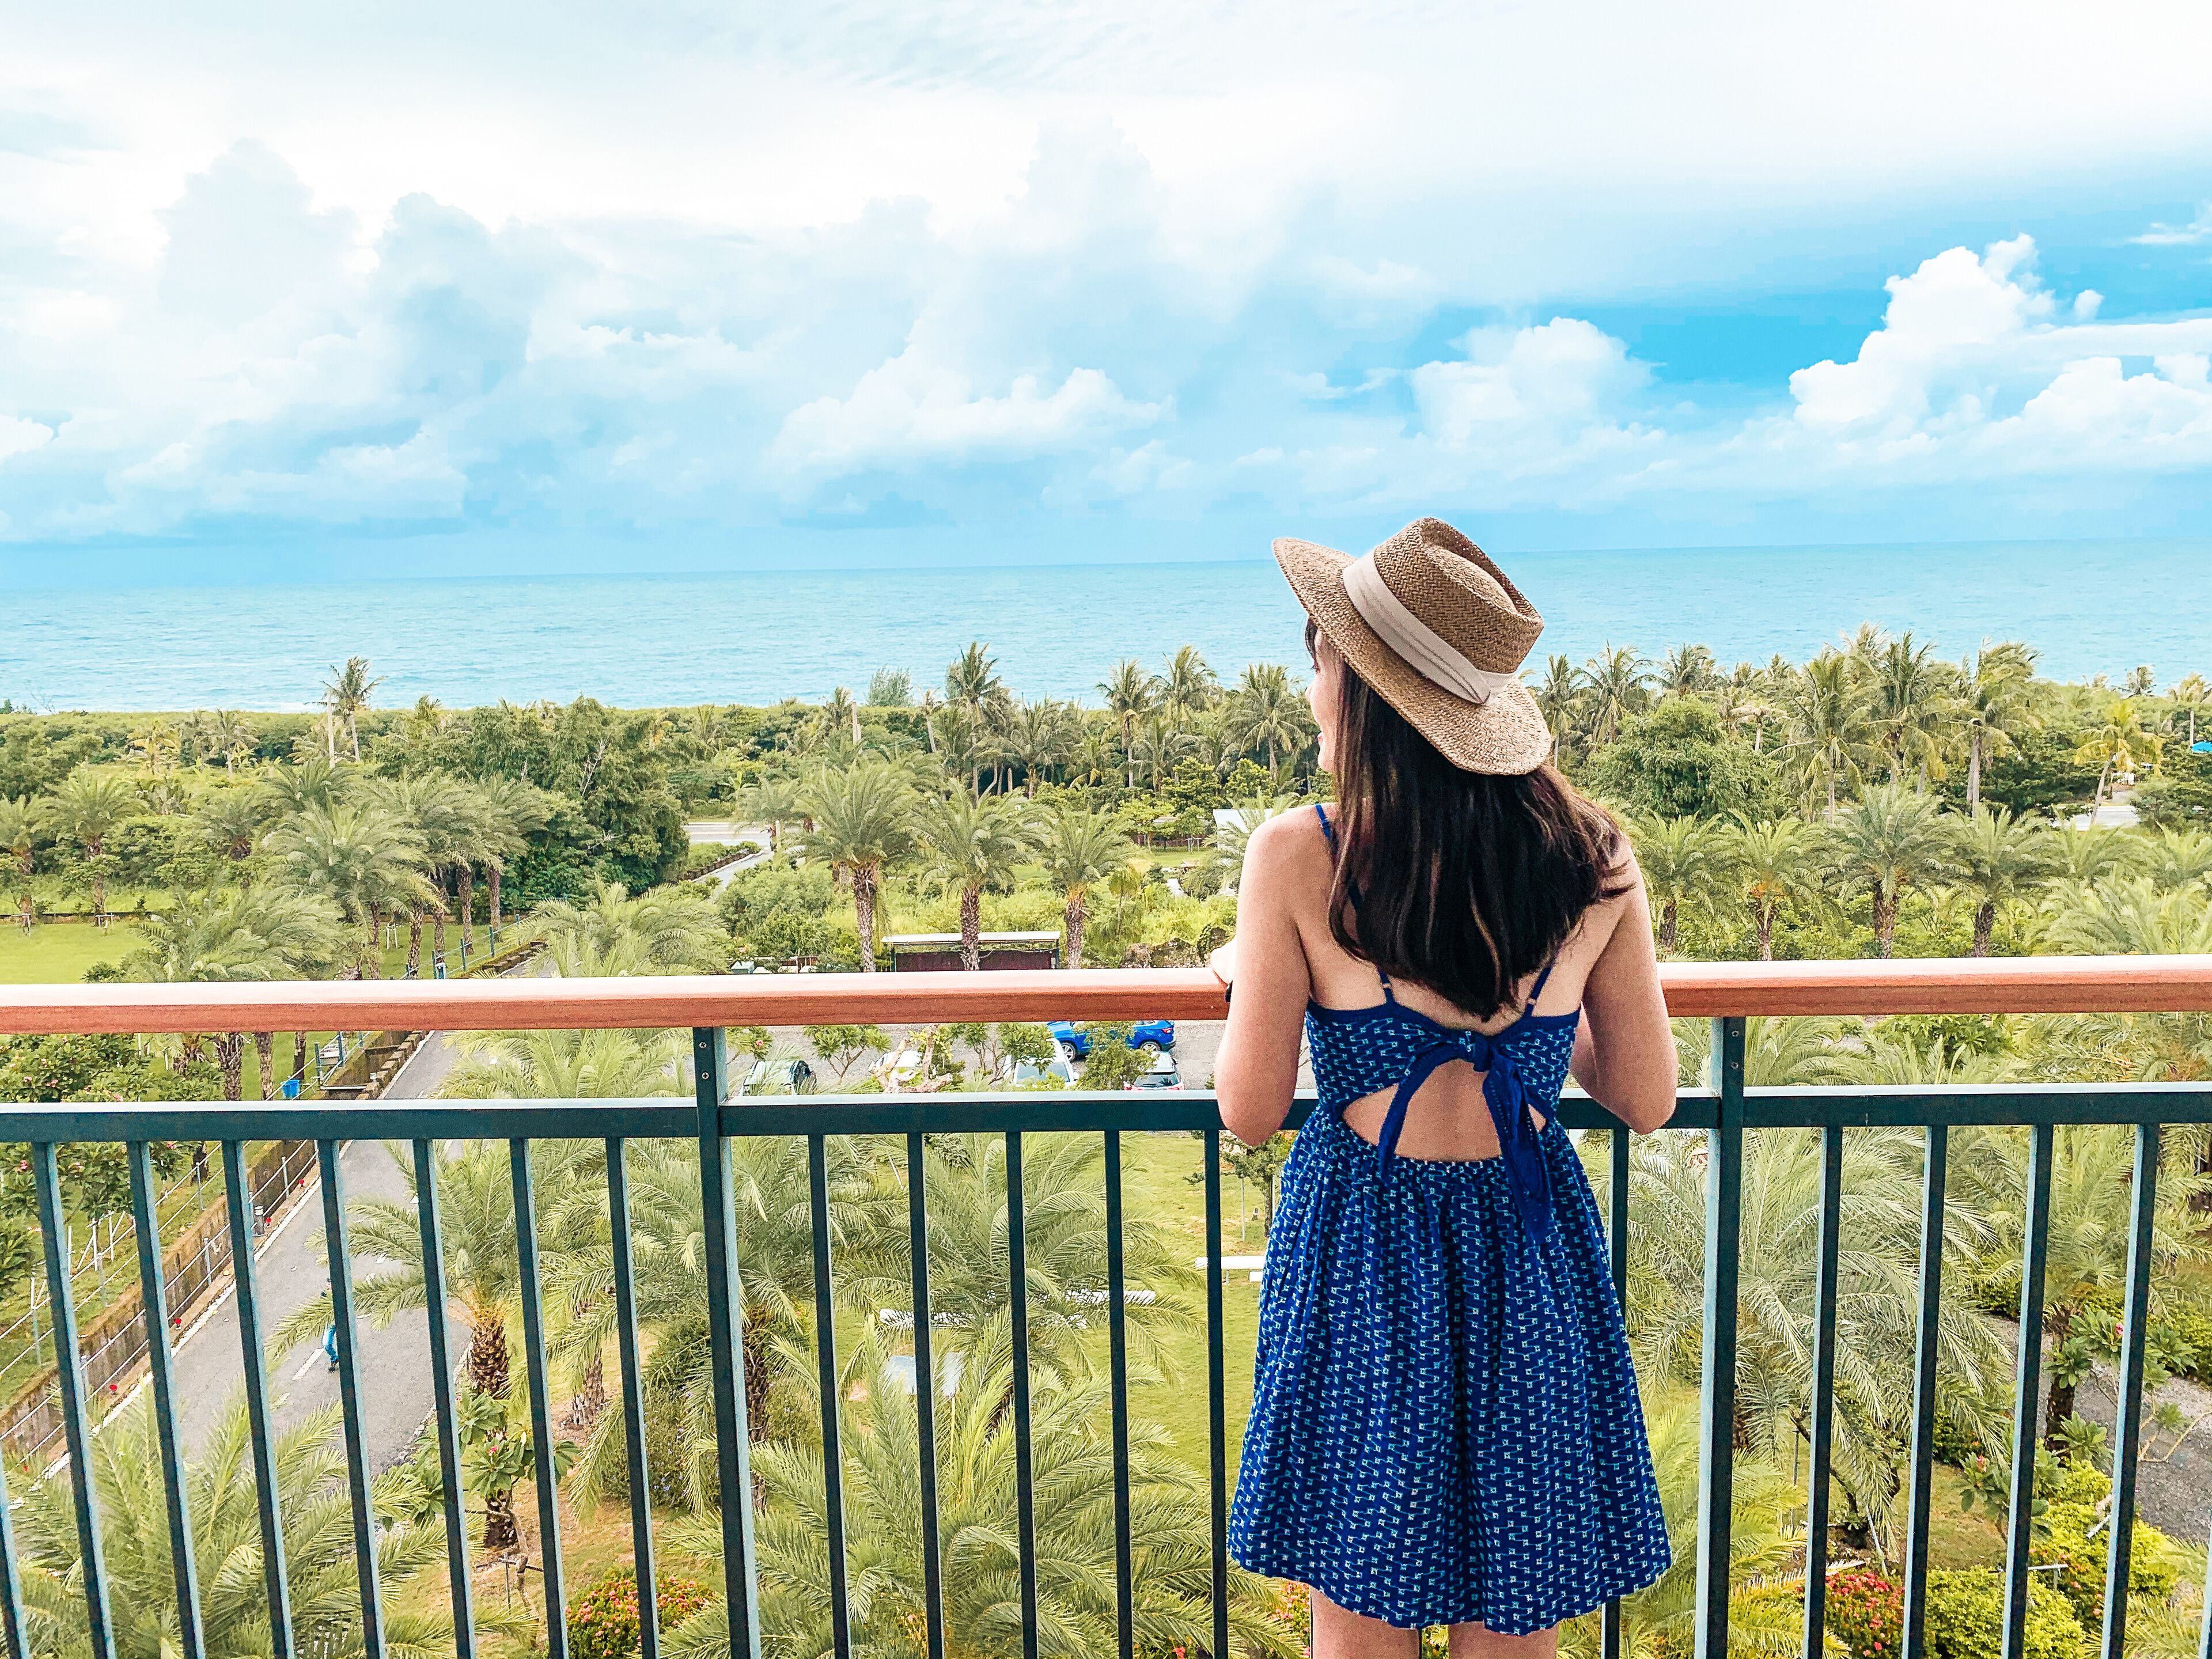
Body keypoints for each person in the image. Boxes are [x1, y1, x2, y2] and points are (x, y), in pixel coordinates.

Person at [1210, 518, 1677, 1657]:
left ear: (1358, 689)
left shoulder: (1298, 856)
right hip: (1528, 1257)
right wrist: (1529, 1016)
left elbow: (1251, 1107)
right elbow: (1645, 1095)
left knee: (1359, 1617)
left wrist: (1246, 976)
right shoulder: (1595, 861)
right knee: (1512, 1608)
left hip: (1366, 1254)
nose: (1310, 685)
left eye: (1316, 660)